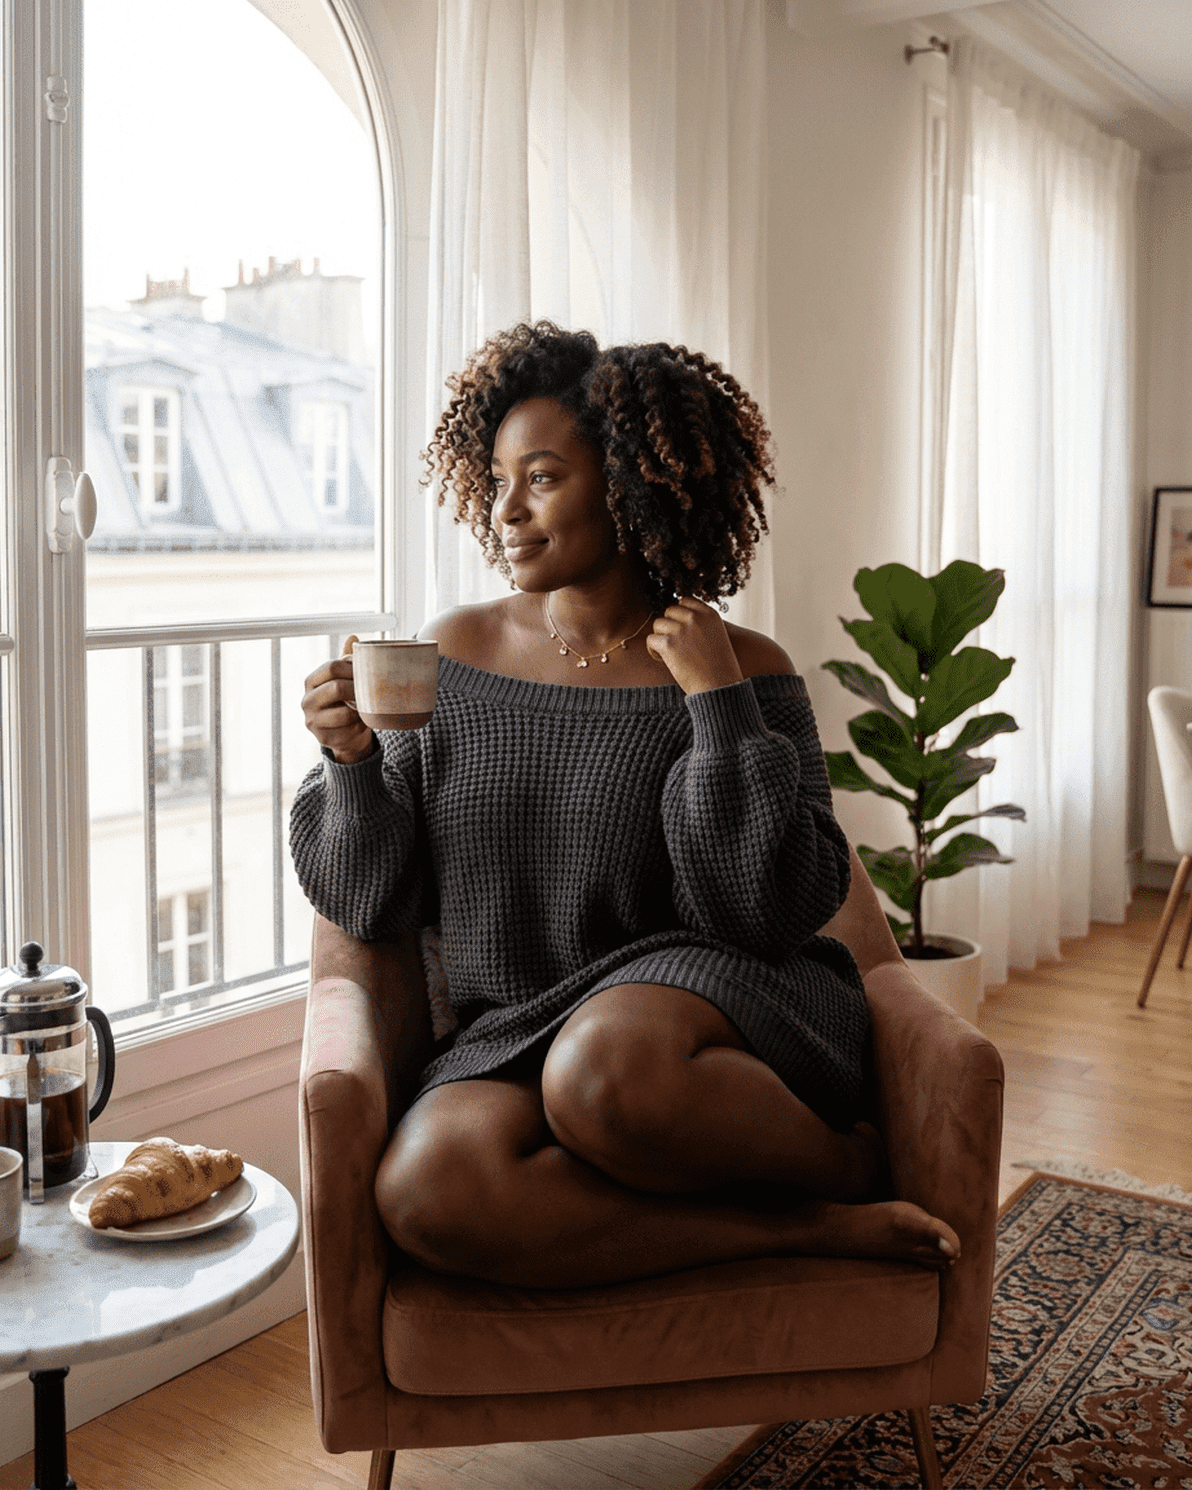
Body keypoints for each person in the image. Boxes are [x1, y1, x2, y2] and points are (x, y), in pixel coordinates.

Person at [291, 321, 960, 1289]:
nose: (505, 510)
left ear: (631, 483)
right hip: (521, 1023)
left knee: (606, 1065)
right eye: (497, 478)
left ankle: (842, 1155)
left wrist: (720, 708)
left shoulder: (741, 664)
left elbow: (767, 910)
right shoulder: (452, 655)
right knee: (429, 1185)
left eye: (543, 477)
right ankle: (809, 1221)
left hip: (712, 1016)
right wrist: (350, 760)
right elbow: (371, 902)